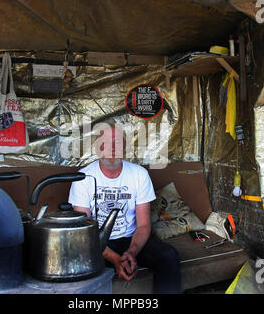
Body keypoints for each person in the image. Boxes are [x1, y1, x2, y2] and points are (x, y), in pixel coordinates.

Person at [68, 123, 181, 294]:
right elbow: (83, 231)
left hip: (130, 239)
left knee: (169, 256)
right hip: (95, 243)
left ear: (125, 148)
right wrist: (115, 259)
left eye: (118, 142)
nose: (113, 148)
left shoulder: (139, 174)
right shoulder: (83, 178)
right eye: (106, 142)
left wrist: (131, 253)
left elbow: (143, 225)